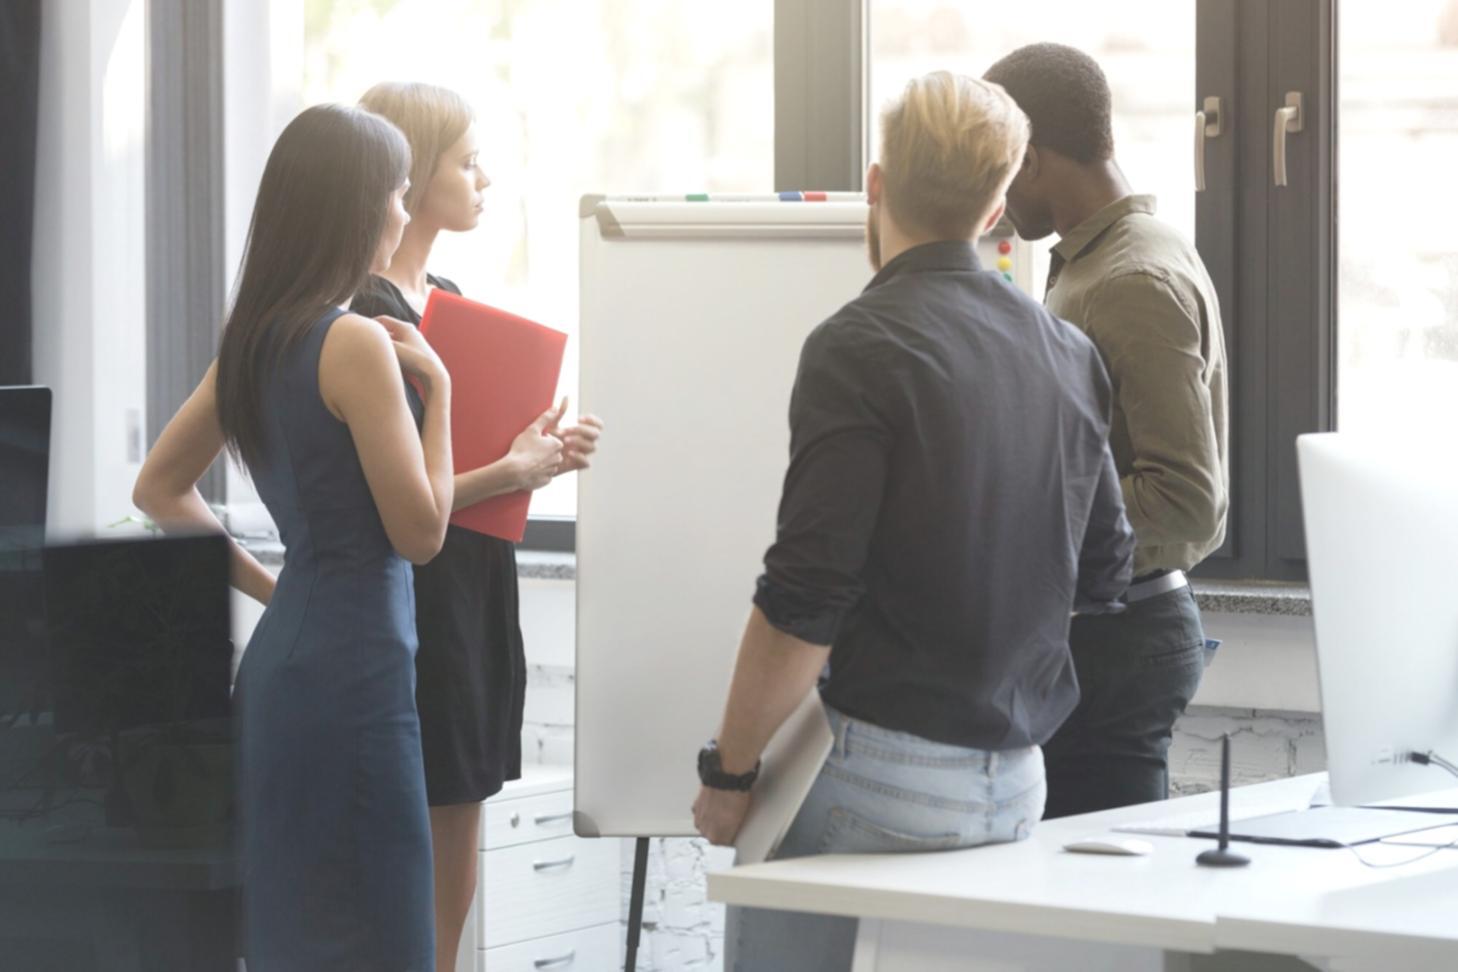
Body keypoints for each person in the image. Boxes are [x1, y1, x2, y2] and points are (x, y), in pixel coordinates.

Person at [692, 71, 1136, 969]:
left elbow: (803, 600)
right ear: (996, 206)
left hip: (876, 784)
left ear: (877, 185)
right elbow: (1104, 571)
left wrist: (729, 772)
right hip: (1014, 789)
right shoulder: (1067, 351)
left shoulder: (859, 345)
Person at [134, 103, 453, 971]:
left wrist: (284, 589)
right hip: (354, 676)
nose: (403, 211)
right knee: (381, 937)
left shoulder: (254, 342)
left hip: (290, 670)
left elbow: (156, 489)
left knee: (295, 935)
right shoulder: (354, 343)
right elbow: (421, 534)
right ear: (357, 208)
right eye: (397, 192)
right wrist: (443, 396)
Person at [350, 81, 603, 972]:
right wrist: (511, 470)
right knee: (426, 823)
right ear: (411, 176)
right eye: (467, 161)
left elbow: (451, 455)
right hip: (421, 585)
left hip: (472, 581)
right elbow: (394, 498)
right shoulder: (365, 316)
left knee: (461, 810)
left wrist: (534, 450)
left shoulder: (445, 295)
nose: (486, 178)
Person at [984, 43, 1229, 819]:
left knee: (1101, 910)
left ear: (1032, 159)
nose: (992, 197)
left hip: (1117, 646)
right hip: (1098, 638)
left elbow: (1187, 500)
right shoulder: (1097, 264)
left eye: (998, 168)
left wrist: (1024, 516)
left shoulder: (1130, 280)